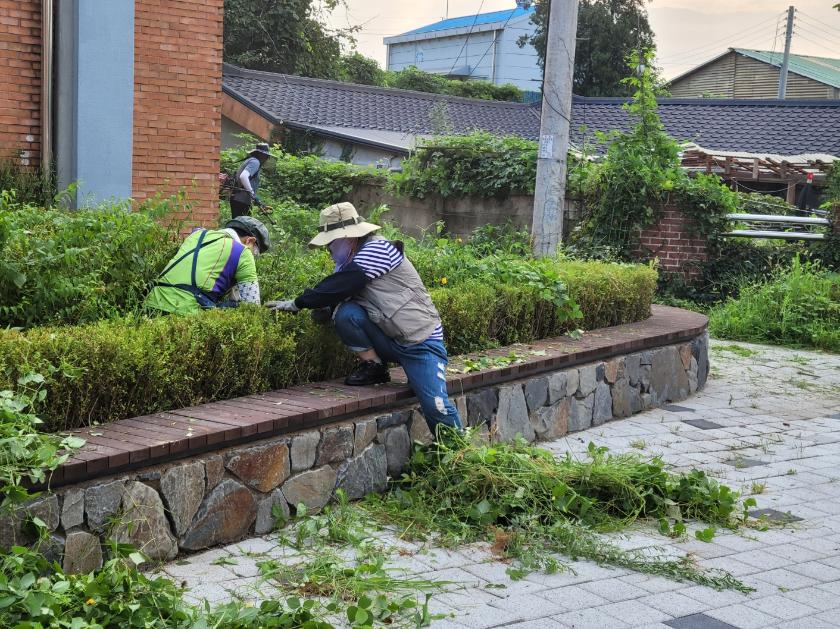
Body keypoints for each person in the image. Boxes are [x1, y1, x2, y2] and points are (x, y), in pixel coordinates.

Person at [266, 202, 462, 434]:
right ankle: (375, 366)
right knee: (346, 313)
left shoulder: (378, 249)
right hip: (391, 340)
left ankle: (457, 453)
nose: (328, 249)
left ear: (349, 238)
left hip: (421, 344)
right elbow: (343, 293)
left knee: (436, 406)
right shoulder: (350, 261)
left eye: (331, 242)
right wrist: (327, 309)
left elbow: (340, 285)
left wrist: (298, 303)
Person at [145, 216, 270, 315]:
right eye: (256, 253)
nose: (254, 256)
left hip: (151, 305)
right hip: (186, 312)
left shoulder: (196, 235)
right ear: (250, 241)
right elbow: (252, 306)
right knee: (236, 307)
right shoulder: (243, 251)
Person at [230, 142, 273, 218]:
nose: (266, 158)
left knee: (239, 226)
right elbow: (243, 176)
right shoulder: (255, 162)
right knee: (243, 227)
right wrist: (252, 194)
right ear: (261, 154)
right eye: (266, 155)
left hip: (239, 199)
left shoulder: (250, 160)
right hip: (241, 200)